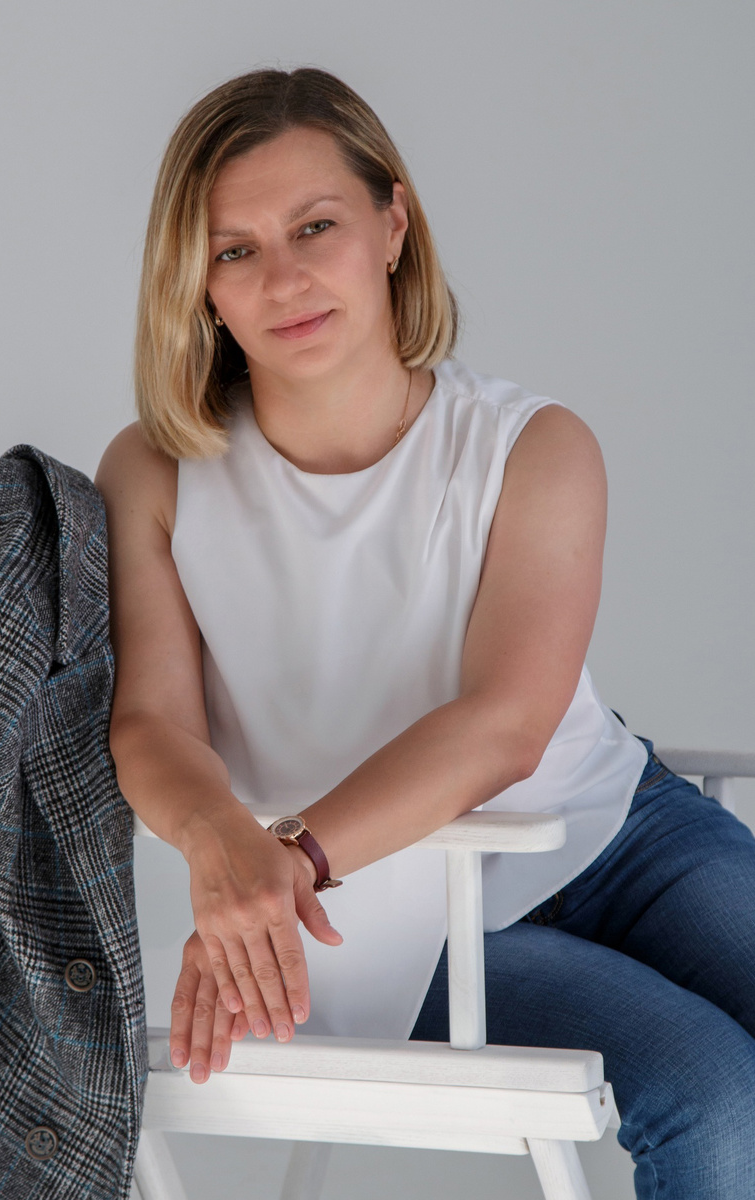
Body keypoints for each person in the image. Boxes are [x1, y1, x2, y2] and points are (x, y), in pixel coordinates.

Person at [95, 66, 755, 1197]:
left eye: (315, 226)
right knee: (715, 1096)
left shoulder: (530, 445)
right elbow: (151, 723)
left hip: (613, 833)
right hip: (382, 913)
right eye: (235, 249)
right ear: (197, 284)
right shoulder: (157, 472)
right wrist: (226, 857)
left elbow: (505, 727)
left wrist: (284, 858)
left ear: (392, 225)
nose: (284, 278)